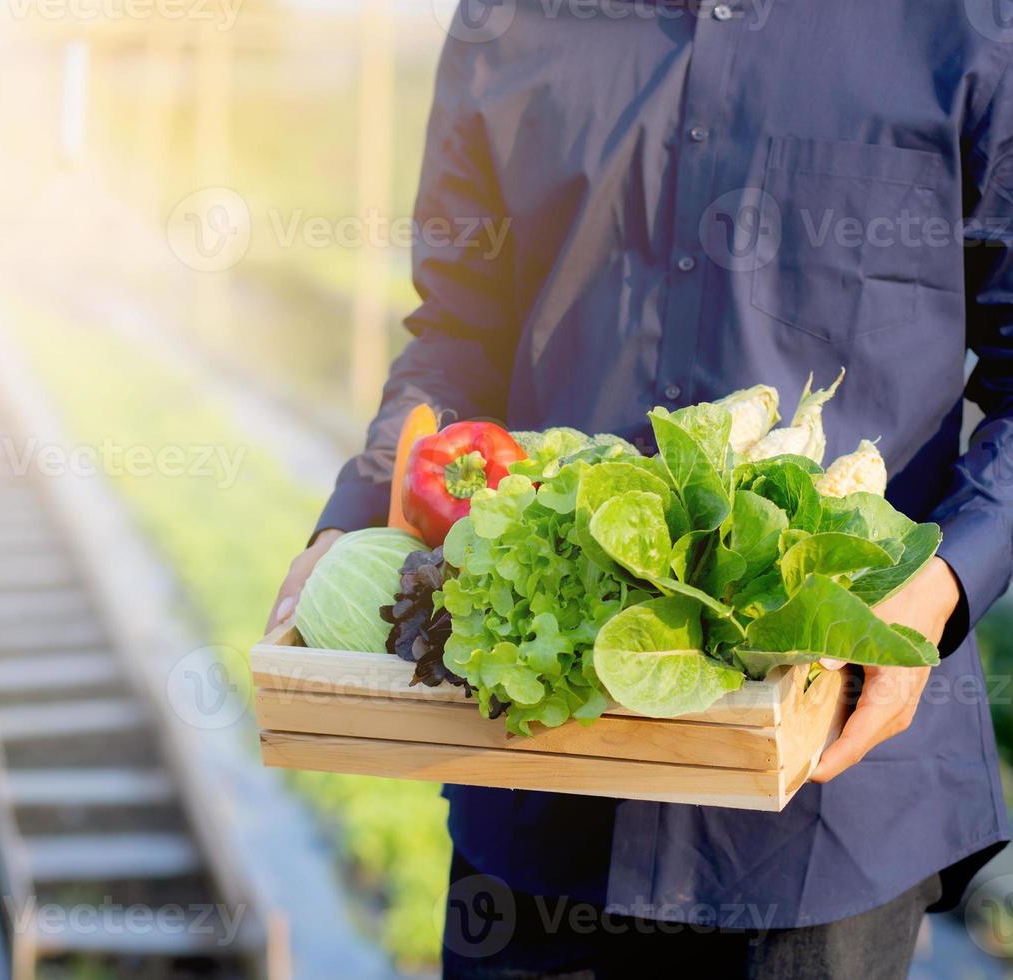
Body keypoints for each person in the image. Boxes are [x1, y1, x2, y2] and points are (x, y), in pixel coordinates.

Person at [266, 2, 1013, 976]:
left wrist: (940, 586)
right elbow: (456, 333)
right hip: (537, 767)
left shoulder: (962, 22)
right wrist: (357, 515)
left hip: (820, 814)